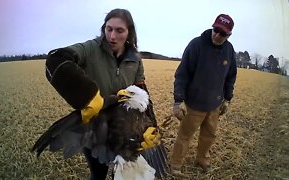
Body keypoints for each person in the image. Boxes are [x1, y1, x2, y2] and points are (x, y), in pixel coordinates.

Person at [45, 8, 160, 180]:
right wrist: (88, 97)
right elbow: (56, 59)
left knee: (122, 171)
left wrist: (152, 125)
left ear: (129, 33)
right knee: (98, 174)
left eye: (119, 30)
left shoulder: (135, 58)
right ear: (104, 28)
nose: (112, 36)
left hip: (124, 127)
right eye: (109, 29)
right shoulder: (90, 49)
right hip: (96, 125)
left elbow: (142, 91)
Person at [171, 14, 237, 175]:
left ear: (229, 35)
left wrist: (227, 99)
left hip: (215, 105)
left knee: (209, 135)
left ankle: (202, 159)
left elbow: (231, 76)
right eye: (216, 30)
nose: (217, 35)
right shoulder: (196, 45)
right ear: (212, 27)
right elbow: (182, 74)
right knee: (185, 136)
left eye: (223, 33)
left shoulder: (229, 50)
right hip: (194, 104)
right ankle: (176, 165)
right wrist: (179, 100)